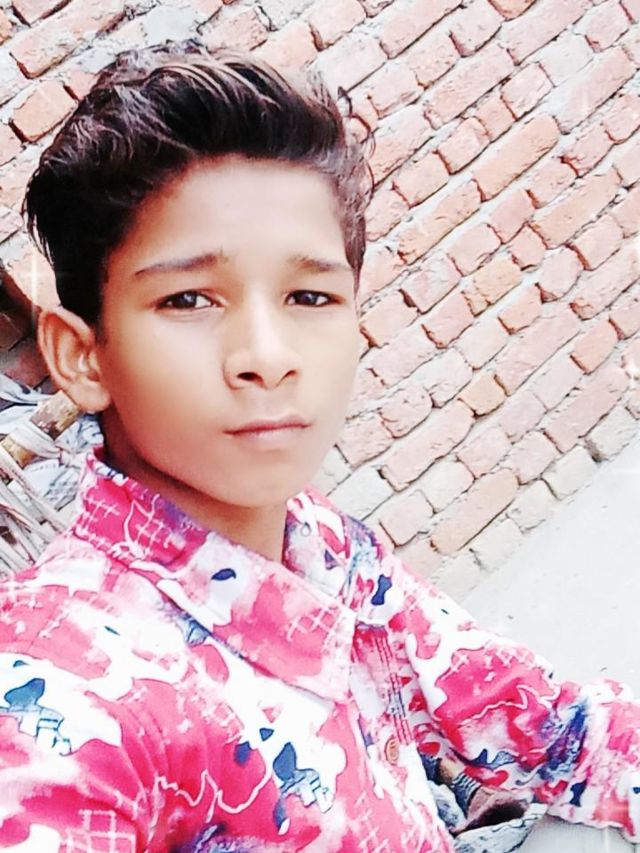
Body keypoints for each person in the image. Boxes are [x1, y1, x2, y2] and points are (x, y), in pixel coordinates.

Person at [0, 40, 638, 853]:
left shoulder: (320, 543)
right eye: (189, 299)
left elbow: (549, 726)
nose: (268, 355)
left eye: (309, 296)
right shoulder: (59, 695)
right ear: (83, 356)